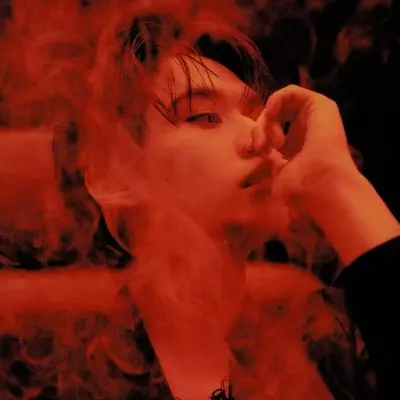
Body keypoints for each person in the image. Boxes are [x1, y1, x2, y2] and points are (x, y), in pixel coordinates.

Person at [0, 1, 399, 399]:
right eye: (205, 117)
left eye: (254, 114)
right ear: (111, 174)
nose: (258, 136)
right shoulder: (62, 374)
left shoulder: (322, 338)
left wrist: (335, 179)